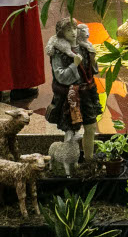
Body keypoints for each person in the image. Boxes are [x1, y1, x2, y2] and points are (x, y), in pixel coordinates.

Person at [44, 20, 101, 159]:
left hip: (87, 92)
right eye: (69, 30)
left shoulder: (85, 48)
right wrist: (74, 65)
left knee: (90, 127)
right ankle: (69, 162)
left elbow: (93, 71)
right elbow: (60, 76)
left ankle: (89, 160)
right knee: (70, 132)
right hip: (71, 96)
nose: (73, 33)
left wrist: (92, 57)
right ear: (62, 33)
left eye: (74, 29)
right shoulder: (59, 52)